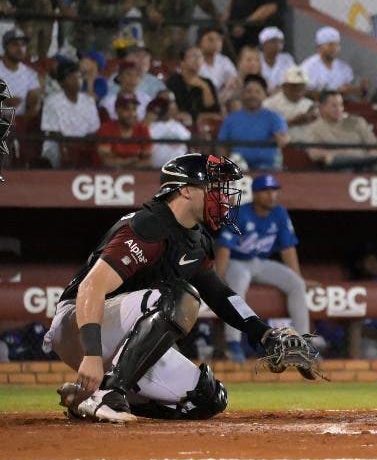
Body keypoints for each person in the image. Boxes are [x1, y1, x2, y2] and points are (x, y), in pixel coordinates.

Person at [43, 154, 321, 423]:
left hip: (121, 339)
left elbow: (220, 295)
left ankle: (87, 399)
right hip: (80, 326)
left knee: (207, 397)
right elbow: (91, 287)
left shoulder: (197, 240)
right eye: (213, 188)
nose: (222, 197)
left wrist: (265, 334)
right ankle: (109, 392)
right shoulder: (149, 223)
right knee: (180, 297)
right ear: (187, 190)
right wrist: (91, 354)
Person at [215, 174, 309, 362]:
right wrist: (218, 278)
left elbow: (287, 247)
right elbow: (224, 248)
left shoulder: (279, 213)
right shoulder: (239, 213)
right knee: (238, 285)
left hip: (261, 262)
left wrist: (298, 275)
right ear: (256, 194)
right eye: (266, 191)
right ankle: (233, 343)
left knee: (297, 284)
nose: (271, 195)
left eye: (274, 191)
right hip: (237, 262)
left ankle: (302, 342)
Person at [290, 90, 377, 169]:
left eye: (341, 105)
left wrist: (370, 157)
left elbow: (375, 147)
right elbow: (314, 154)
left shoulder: (357, 122)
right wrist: (345, 153)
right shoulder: (314, 128)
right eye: (334, 106)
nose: (339, 109)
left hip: (366, 166)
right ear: (322, 107)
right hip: (338, 169)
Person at [218, 74, 287, 170]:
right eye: (249, 91)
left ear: (264, 95)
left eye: (257, 92)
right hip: (238, 169)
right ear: (242, 95)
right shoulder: (231, 119)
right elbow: (222, 147)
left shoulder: (274, 117)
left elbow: (283, 140)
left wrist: (280, 138)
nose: (252, 95)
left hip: (268, 168)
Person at [40, 58, 100, 167]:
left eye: (79, 77)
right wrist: (70, 147)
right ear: (61, 82)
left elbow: (93, 130)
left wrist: (81, 146)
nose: (77, 80)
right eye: (71, 77)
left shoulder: (88, 101)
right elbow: (53, 132)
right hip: (59, 145)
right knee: (59, 152)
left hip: (83, 146)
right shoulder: (52, 101)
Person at [166, 45, 219, 125]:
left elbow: (213, 110)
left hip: (204, 125)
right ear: (182, 62)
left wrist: (205, 87)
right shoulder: (172, 82)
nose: (198, 60)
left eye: (200, 56)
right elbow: (171, 109)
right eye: (193, 56)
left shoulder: (207, 82)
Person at [97, 93, 152, 169]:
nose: (131, 114)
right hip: (107, 175)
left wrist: (121, 163)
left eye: (134, 109)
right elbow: (107, 162)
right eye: (127, 109)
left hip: (135, 175)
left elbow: (148, 161)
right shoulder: (106, 128)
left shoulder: (142, 129)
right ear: (117, 110)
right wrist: (130, 161)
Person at [301, 26, 360, 97]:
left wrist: (358, 89)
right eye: (330, 45)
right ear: (319, 47)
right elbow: (304, 92)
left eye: (337, 45)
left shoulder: (344, 67)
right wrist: (335, 91)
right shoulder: (308, 66)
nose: (335, 48)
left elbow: (348, 88)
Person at [0, 28, 41, 116]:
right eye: (15, 45)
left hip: (18, 124)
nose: (20, 49)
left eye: (23, 45)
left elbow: (34, 106)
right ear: (5, 47)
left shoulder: (30, 74)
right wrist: (4, 103)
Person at [144, 92, 190, 168]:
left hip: (179, 171)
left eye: (169, 102)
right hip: (154, 171)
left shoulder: (179, 126)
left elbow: (191, 143)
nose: (167, 106)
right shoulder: (149, 126)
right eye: (162, 103)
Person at [219, 45, 262, 112]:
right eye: (249, 60)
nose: (253, 63)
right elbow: (221, 102)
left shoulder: (265, 82)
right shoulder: (232, 82)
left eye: (256, 60)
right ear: (240, 62)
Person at [197, 26, 237, 92]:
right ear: (200, 41)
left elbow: (234, 79)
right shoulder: (194, 59)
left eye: (218, 39)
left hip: (223, 97)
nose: (215, 43)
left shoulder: (224, 61)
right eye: (210, 39)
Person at [258, 26, 295, 91]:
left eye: (281, 42)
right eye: (273, 41)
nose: (278, 45)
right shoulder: (255, 58)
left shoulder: (287, 59)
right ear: (264, 44)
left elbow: (294, 79)